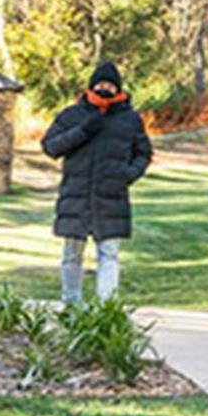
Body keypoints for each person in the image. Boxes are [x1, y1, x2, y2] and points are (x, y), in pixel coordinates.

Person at [43, 60, 153, 304]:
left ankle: (106, 308)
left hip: (112, 197)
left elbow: (143, 153)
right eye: (100, 84)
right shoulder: (72, 115)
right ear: (91, 87)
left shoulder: (130, 120)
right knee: (72, 255)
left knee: (109, 254)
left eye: (110, 86)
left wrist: (127, 175)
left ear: (119, 89)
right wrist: (83, 130)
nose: (105, 89)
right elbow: (50, 146)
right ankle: (71, 305)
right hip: (76, 195)